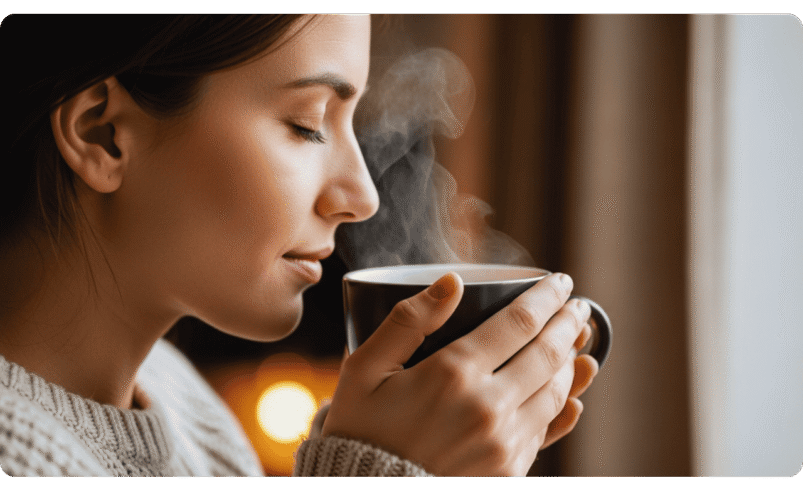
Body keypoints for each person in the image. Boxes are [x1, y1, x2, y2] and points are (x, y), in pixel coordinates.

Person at [0, 14, 598, 477]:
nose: (363, 197)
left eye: (352, 123)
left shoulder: (185, 405)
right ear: (103, 134)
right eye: (309, 123)